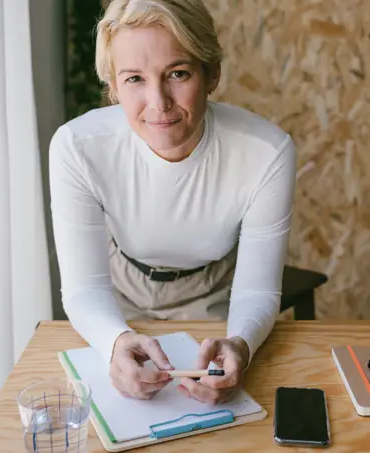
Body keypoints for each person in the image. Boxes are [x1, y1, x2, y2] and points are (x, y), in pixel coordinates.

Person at [49, 0, 297, 405]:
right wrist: (115, 341)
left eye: (178, 74)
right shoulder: (77, 148)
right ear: (112, 87)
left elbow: (257, 290)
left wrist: (240, 345)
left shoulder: (266, 152)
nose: (159, 102)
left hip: (215, 297)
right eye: (134, 79)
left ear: (212, 73)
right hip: (117, 295)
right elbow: (83, 288)